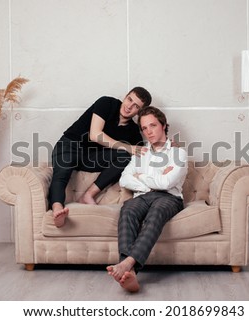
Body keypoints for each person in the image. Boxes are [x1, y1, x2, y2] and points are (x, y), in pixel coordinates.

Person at [106, 106, 188, 292]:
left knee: (156, 212)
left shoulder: (178, 153)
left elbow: (167, 183)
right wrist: (151, 183)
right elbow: (124, 179)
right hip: (142, 196)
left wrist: (140, 176)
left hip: (169, 198)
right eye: (144, 128)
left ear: (164, 125)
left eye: (153, 125)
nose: (148, 131)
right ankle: (131, 274)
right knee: (127, 209)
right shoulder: (141, 153)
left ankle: (127, 263)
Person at [48, 87, 152, 228]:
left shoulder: (133, 131)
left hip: (91, 158)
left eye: (136, 106)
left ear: (139, 112)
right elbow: (95, 134)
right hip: (70, 145)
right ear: (125, 96)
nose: (129, 107)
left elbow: (143, 152)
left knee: (124, 156)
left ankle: (88, 195)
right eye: (129, 100)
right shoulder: (107, 103)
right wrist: (128, 147)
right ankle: (57, 209)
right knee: (63, 170)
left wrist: (168, 145)